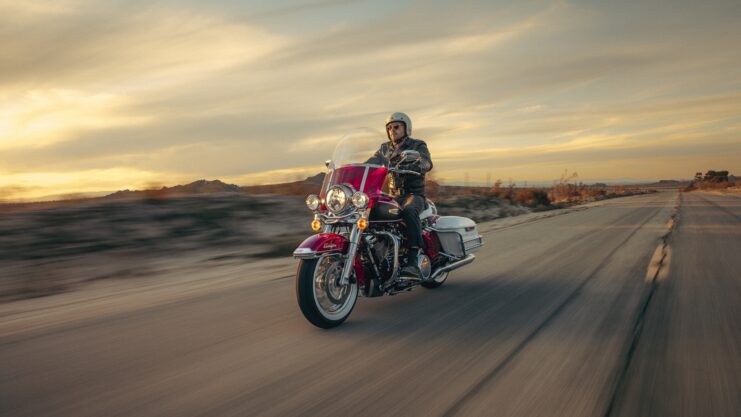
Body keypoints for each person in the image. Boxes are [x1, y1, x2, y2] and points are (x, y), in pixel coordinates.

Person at [368, 112, 433, 279]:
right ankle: (376, 255)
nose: (392, 130)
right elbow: (370, 163)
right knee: (370, 211)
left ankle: (413, 260)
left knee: (409, 211)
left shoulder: (417, 145)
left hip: (413, 194)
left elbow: (427, 162)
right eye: (389, 128)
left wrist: (420, 162)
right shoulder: (384, 148)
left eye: (396, 126)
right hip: (393, 196)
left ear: (406, 128)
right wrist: (353, 169)